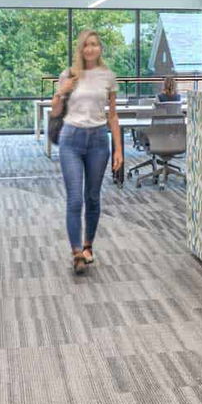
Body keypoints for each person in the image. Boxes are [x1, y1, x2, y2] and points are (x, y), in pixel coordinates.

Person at [53, 30, 124, 274]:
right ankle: (76, 252)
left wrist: (118, 149)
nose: (90, 49)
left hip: (98, 141)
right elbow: (55, 111)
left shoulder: (108, 76)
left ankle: (87, 246)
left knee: (92, 197)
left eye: (94, 44)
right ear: (80, 49)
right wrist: (62, 91)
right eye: (86, 45)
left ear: (100, 48)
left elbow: (112, 116)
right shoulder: (69, 74)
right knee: (75, 198)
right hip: (71, 139)